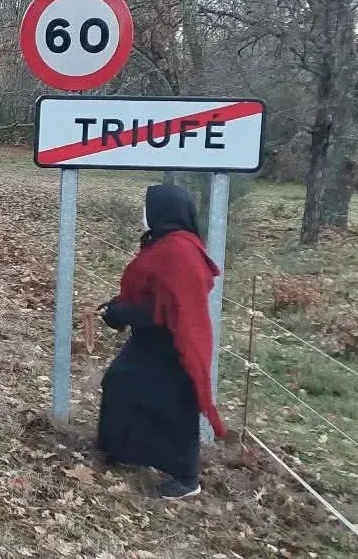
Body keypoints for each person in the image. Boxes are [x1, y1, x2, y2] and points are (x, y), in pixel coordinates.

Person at [96, 184, 226, 500]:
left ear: (163, 211)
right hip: (152, 339)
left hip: (174, 343)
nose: (144, 214)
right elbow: (155, 292)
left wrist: (122, 312)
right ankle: (123, 448)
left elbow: (168, 308)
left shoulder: (179, 251)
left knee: (175, 406)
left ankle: (185, 477)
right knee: (121, 383)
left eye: (148, 207)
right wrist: (119, 305)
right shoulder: (167, 244)